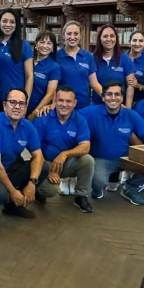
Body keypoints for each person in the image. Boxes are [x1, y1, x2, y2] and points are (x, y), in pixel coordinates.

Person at [0, 88, 46, 222]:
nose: (17, 107)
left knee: (43, 167)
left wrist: (32, 183)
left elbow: (38, 156)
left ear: (25, 107)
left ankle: (13, 206)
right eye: (12, 102)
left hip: (8, 167)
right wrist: (13, 192)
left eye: (21, 103)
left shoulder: (27, 126)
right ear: (4, 105)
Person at [81, 81, 144, 206]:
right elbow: (70, 117)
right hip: (101, 159)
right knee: (98, 182)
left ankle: (130, 188)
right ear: (103, 97)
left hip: (125, 157)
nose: (113, 98)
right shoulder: (90, 112)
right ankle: (97, 190)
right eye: (109, 94)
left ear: (122, 98)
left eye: (117, 94)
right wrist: (49, 108)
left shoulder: (131, 115)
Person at [33, 85, 95, 213]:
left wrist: (65, 154)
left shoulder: (80, 120)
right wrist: (49, 170)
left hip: (67, 163)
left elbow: (85, 146)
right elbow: (35, 150)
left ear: (74, 103)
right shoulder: (42, 118)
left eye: (68, 101)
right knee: (49, 191)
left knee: (87, 160)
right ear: (54, 101)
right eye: (60, 100)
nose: (64, 104)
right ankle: (38, 191)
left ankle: (81, 196)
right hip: (45, 163)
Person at [0, 9, 33, 106]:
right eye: (4, 21)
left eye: (12, 22)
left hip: (14, 101)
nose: (8, 24)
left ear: (17, 24)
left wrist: (25, 101)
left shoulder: (24, 45)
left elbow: (29, 76)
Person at [56, 20, 101, 110]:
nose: (72, 37)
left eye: (76, 34)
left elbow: (94, 83)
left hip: (83, 106)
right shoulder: (56, 56)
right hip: (62, 106)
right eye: (69, 34)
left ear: (80, 36)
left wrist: (109, 98)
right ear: (63, 35)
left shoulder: (88, 56)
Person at [92, 24, 135, 106]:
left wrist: (128, 107)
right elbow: (92, 83)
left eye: (112, 36)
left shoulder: (124, 58)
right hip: (98, 106)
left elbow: (131, 85)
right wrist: (106, 98)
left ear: (116, 38)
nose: (109, 39)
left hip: (119, 106)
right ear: (100, 39)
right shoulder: (93, 58)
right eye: (105, 36)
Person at [27, 31, 61, 119]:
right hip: (19, 107)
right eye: (42, 42)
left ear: (53, 48)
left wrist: (34, 114)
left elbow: (50, 94)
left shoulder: (54, 67)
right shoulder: (27, 61)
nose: (45, 46)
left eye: (49, 43)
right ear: (36, 45)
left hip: (38, 111)